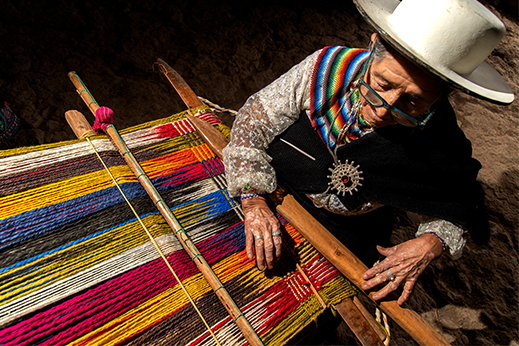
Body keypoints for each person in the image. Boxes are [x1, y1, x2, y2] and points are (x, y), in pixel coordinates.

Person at [222, 0, 514, 305]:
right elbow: (253, 122)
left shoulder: (440, 136)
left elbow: (463, 204)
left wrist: (430, 243)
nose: (383, 108)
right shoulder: (327, 69)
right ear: (373, 45)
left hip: (347, 234)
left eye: (412, 102)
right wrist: (254, 200)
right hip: (272, 193)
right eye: (383, 83)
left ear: (441, 97)